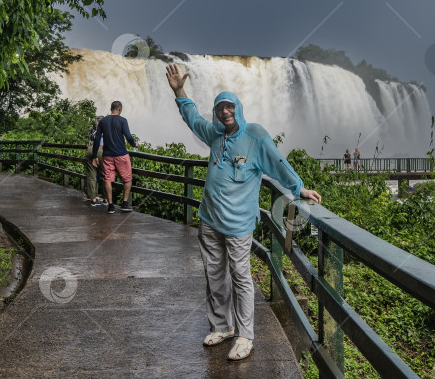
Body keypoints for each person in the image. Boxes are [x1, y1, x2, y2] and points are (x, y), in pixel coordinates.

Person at [165, 63, 322, 362]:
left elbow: (277, 163)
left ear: (238, 108)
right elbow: (191, 117)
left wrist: (298, 188)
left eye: (229, 107)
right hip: (209, 219)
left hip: (238, 224)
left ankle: (246, 335)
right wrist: (179, 91)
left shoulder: (255, 136)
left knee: (240, 277)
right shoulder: (213, 133)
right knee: (214, 276)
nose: (225, 112)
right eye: (220, 108)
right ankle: (222, 327)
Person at [91, 101, 138, 214]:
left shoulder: (103, 121)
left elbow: (97, 139)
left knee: (108, 179)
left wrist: (94, 156)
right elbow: (128, 136)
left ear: (111, 108)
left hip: (107, 156)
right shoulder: (123, 120)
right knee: (127, 179)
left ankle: (111, 206)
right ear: (120, 109)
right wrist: (134, 144)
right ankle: (125, 203)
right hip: (121, 154)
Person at [85, 116, 106, 206]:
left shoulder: (91, 130)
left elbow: (88, 143)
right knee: (106, 175)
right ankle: (106, 199)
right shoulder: (104, 130)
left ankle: (93, 199)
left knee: (91, 175)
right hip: (100, 150)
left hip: (89, 150)